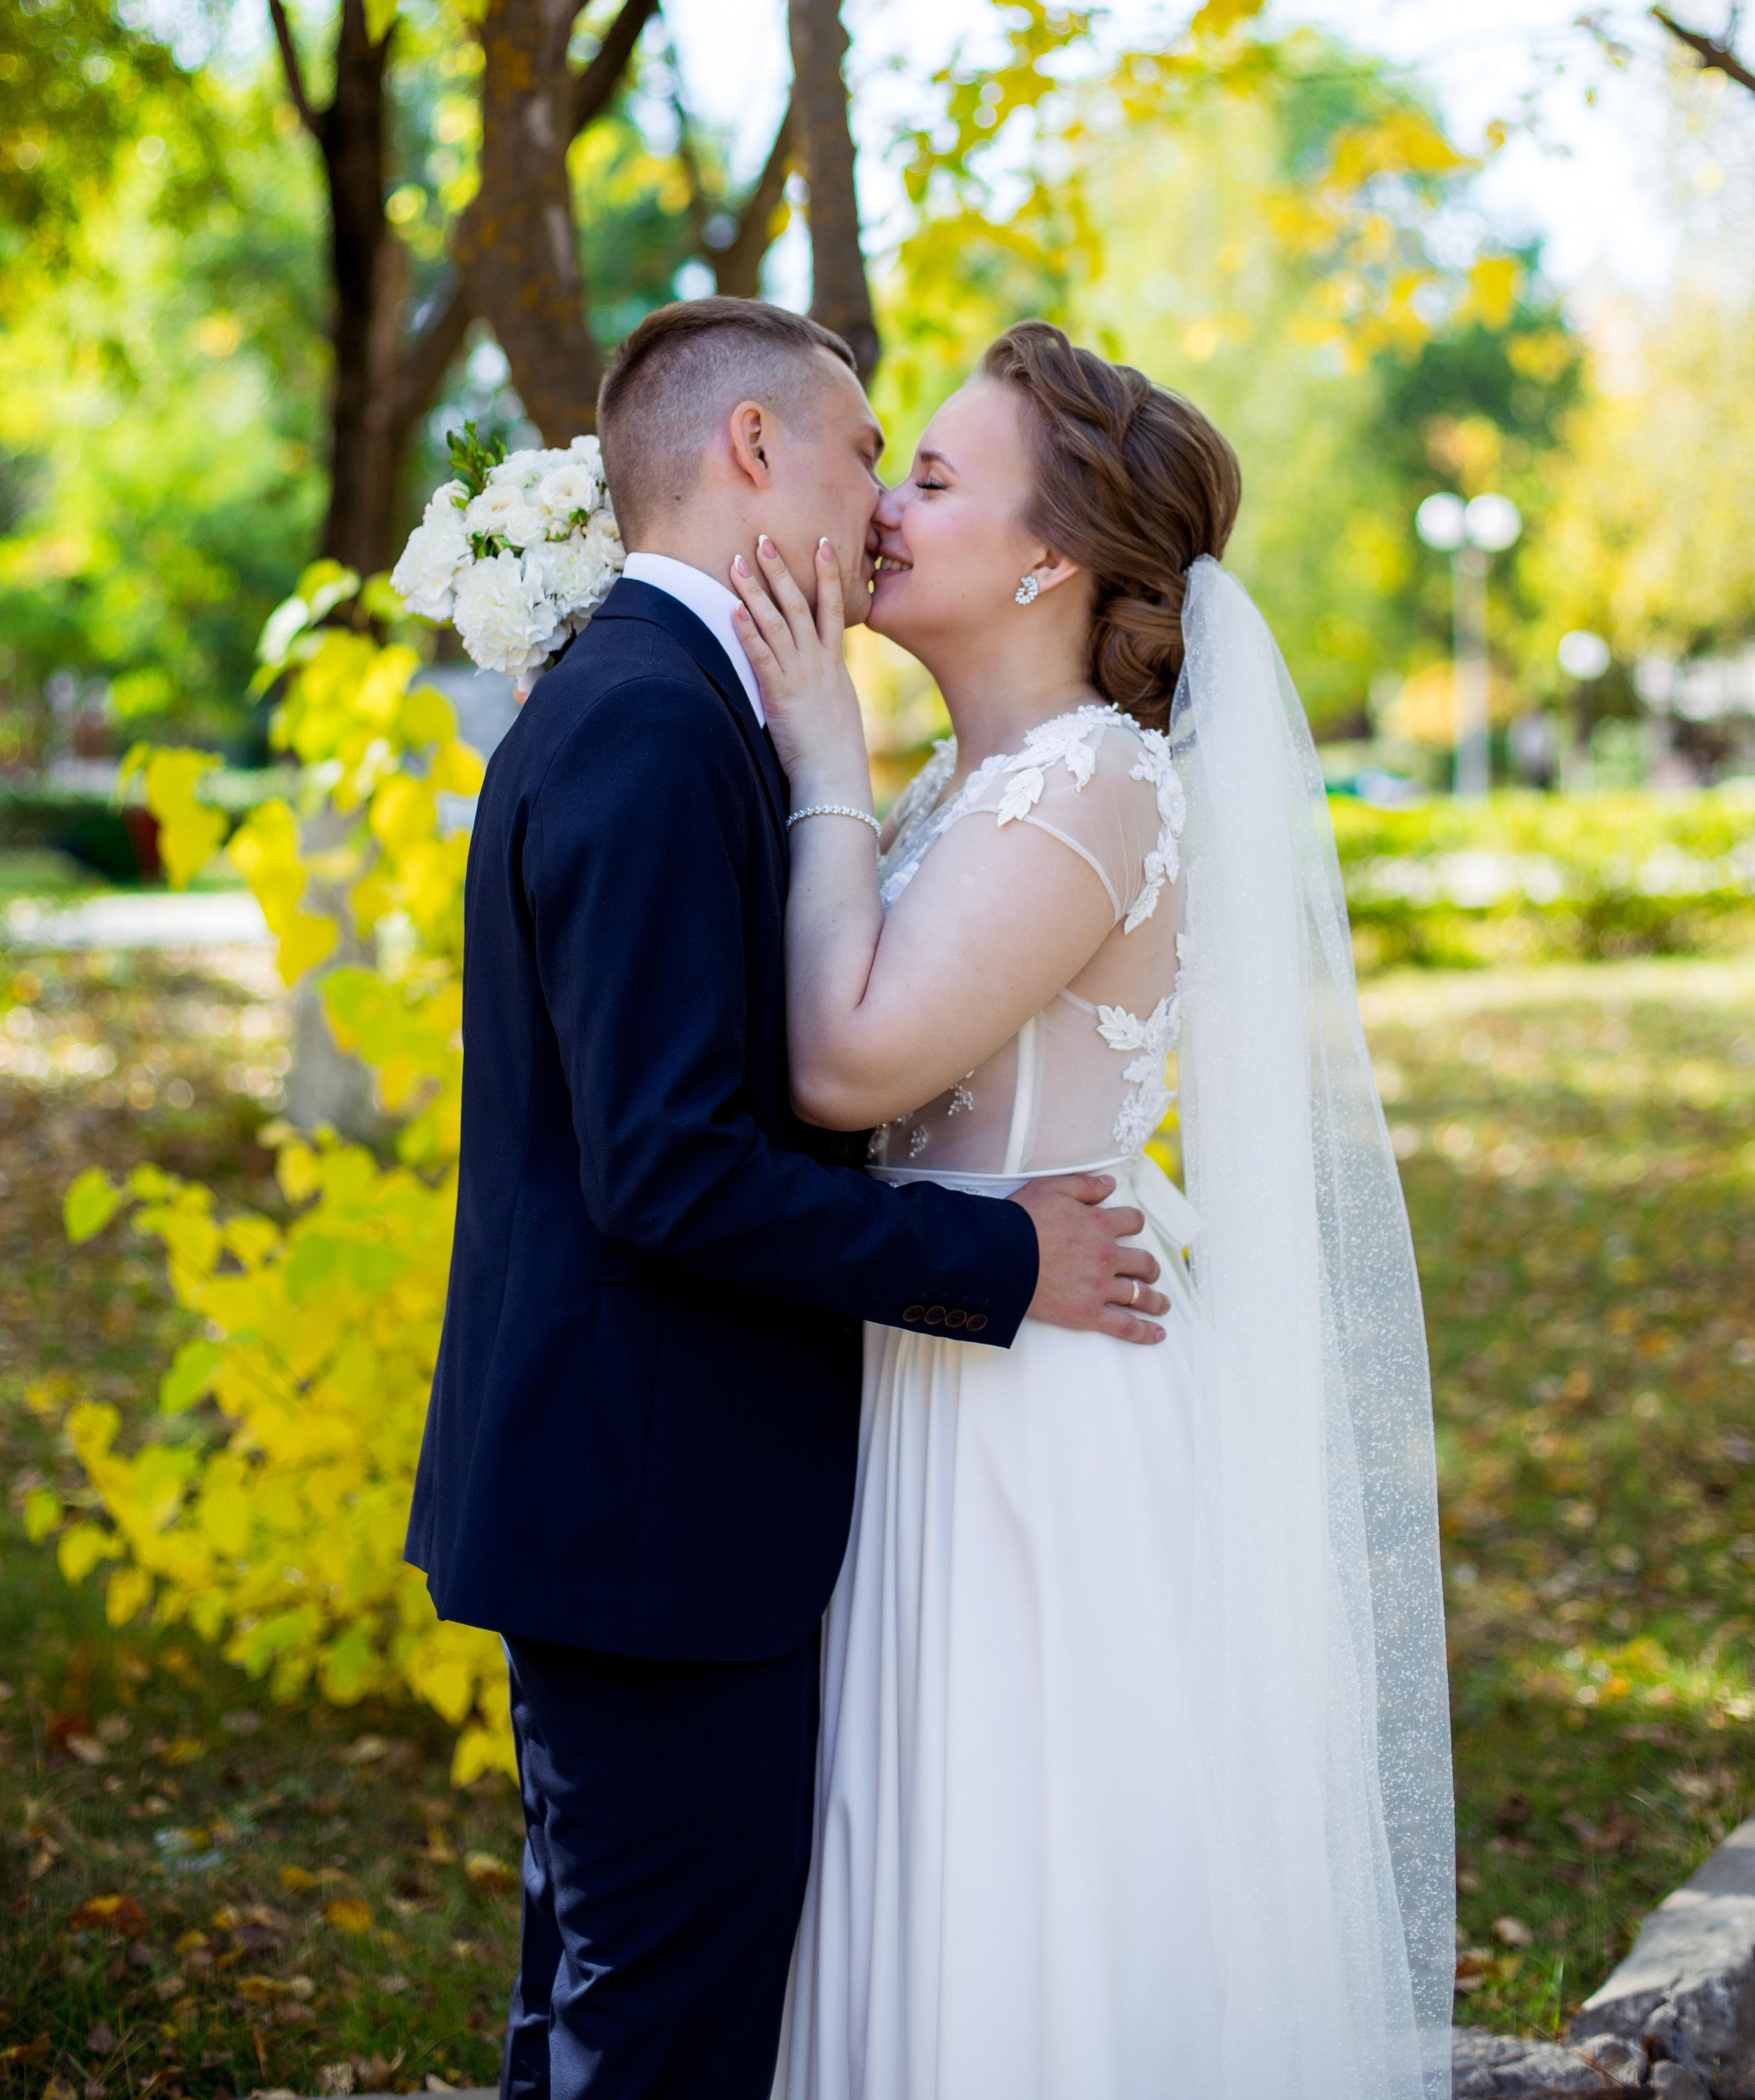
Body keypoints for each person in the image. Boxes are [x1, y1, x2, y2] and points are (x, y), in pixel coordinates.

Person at [404, 297, 1172, 2100]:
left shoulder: (665, 704)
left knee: (614, 2009)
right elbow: (673, 1172)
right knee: (654, 2029)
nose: (881, 495)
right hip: (653, 1511)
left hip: (670, 1497)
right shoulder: (659, 725)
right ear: (754, 451)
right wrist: (999, 1250)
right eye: (863, 447)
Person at [731, 322, 1455, 2100]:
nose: (887, 502)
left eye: (934, 476)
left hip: (1029, 1427)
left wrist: (820, 733)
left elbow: (847, 1061)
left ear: (1050, 554)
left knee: (1020, 1890)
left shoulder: (1092, 783)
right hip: (938, 1375)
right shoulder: (972, 785)